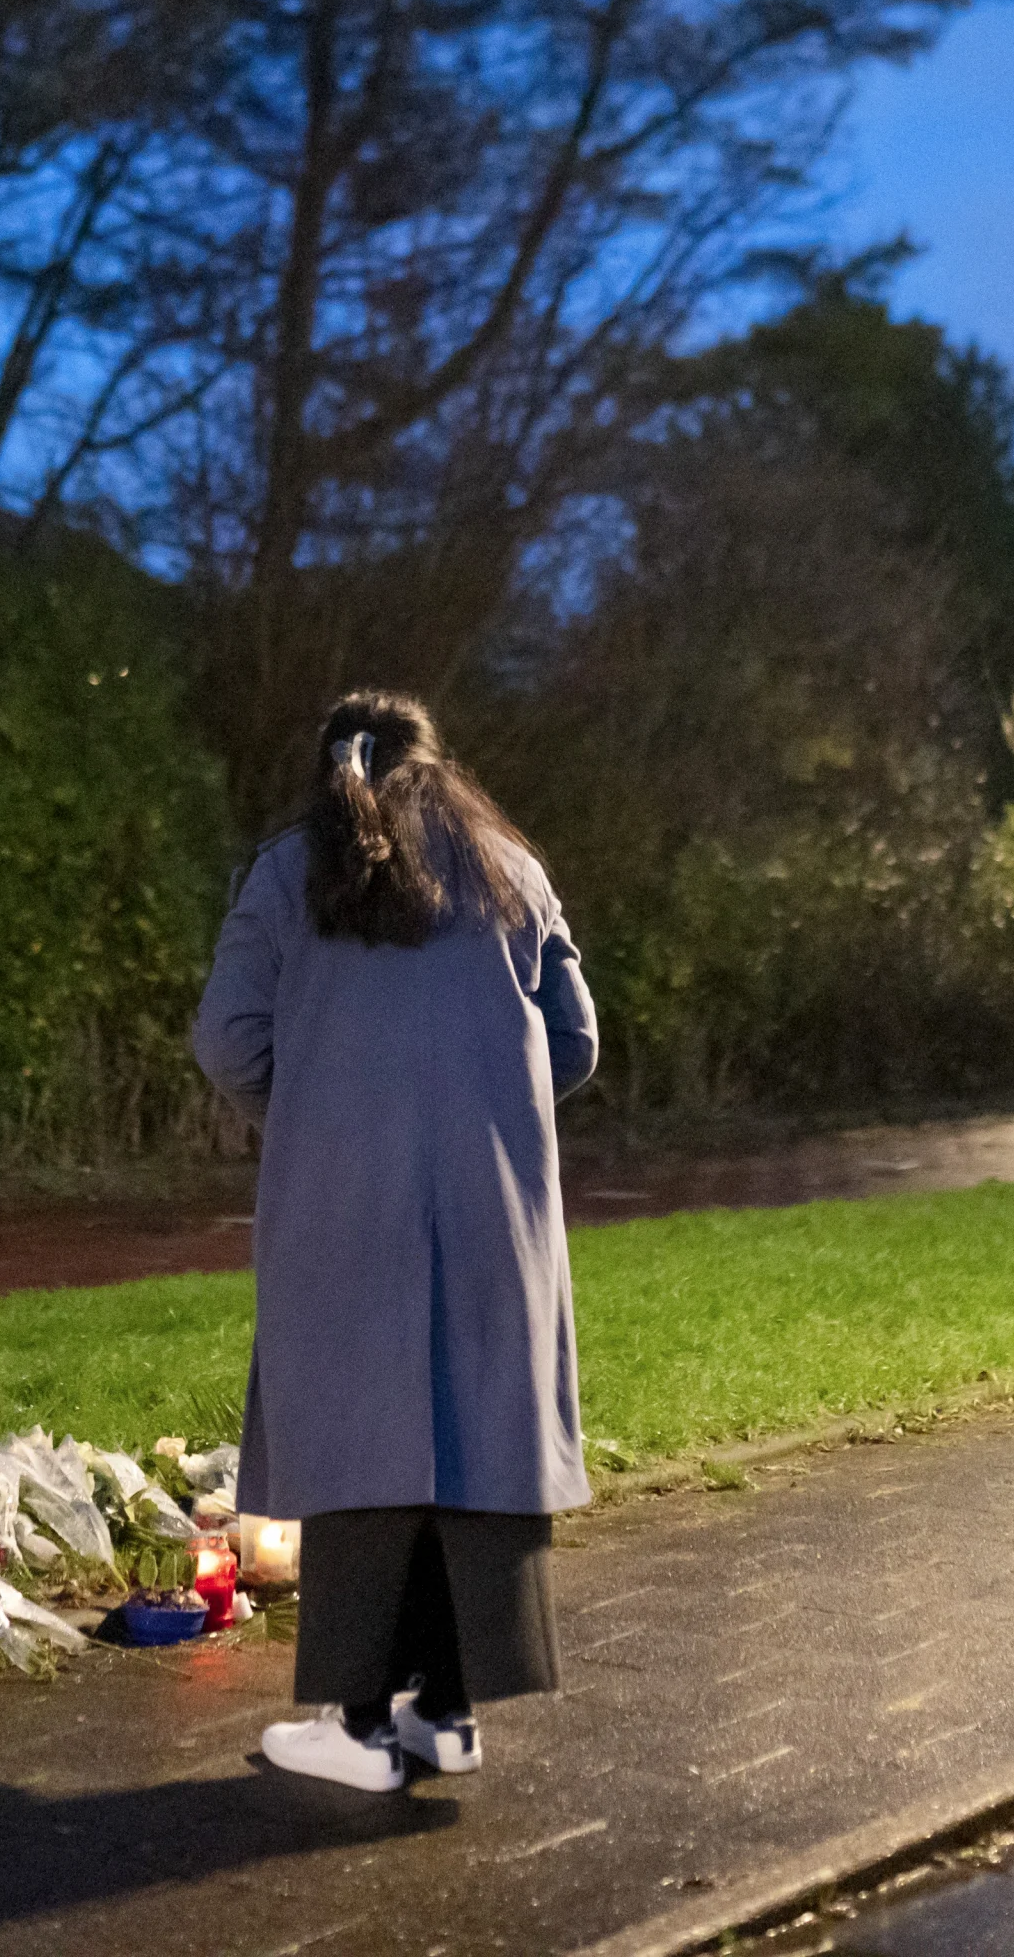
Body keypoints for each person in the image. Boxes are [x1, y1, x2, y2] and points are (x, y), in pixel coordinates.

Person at [191, 689, 599, 1793]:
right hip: (491, 1204)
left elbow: (226, 1040)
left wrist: (316, 1106)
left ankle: (361, 1726)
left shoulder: (289, 872)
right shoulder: (508, 865)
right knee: (478, 1429)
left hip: (340, 1197)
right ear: (438, 765)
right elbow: (575, 1042)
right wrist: (491, 1106)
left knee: (356, 1426)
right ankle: (448, 1714)